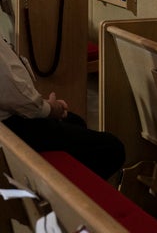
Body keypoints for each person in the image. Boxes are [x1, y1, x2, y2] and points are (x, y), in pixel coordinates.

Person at [0, 37, 125, 181]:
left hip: (11, 114)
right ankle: (72, 198)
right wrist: (49, 109)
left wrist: (42, 105)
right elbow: (8, 89)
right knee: (112, 148)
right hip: (10, 128)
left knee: (75, 121)